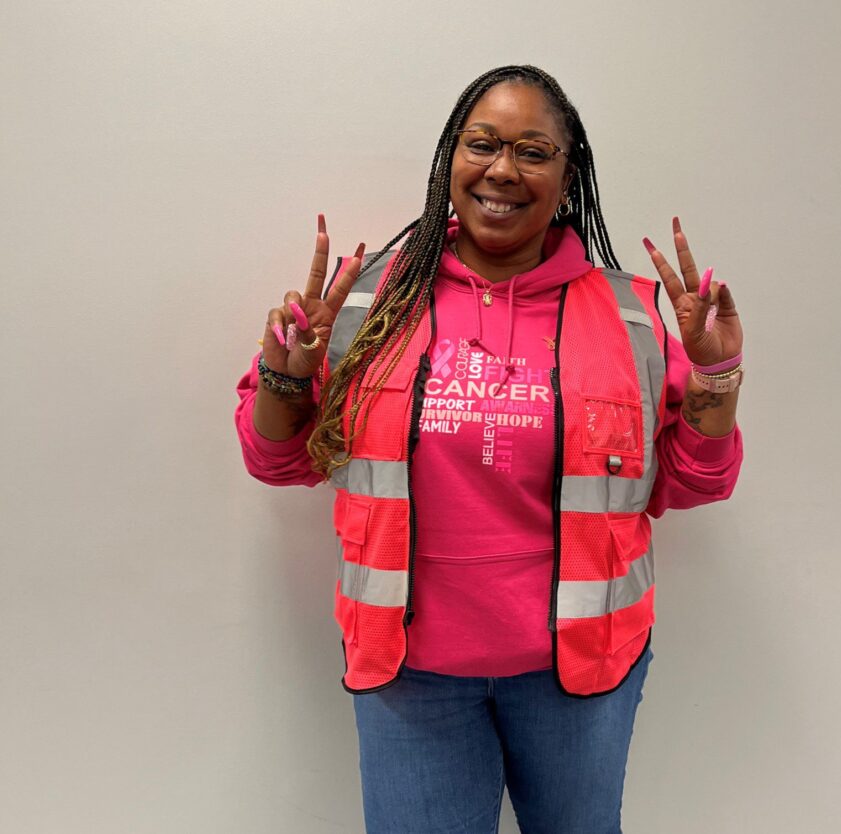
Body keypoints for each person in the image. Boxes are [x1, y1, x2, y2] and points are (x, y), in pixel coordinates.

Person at [235, 65, 743, 834]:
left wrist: (714, 374)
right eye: (483, 144)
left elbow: (688, 483)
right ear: (451, 160)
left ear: (567, 177)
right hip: (410, 677)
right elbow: (279, 460)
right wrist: (284, 372)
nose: (502, 169)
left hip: (580, 674)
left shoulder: (631, 315)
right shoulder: (367, 301)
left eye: (533, 151)